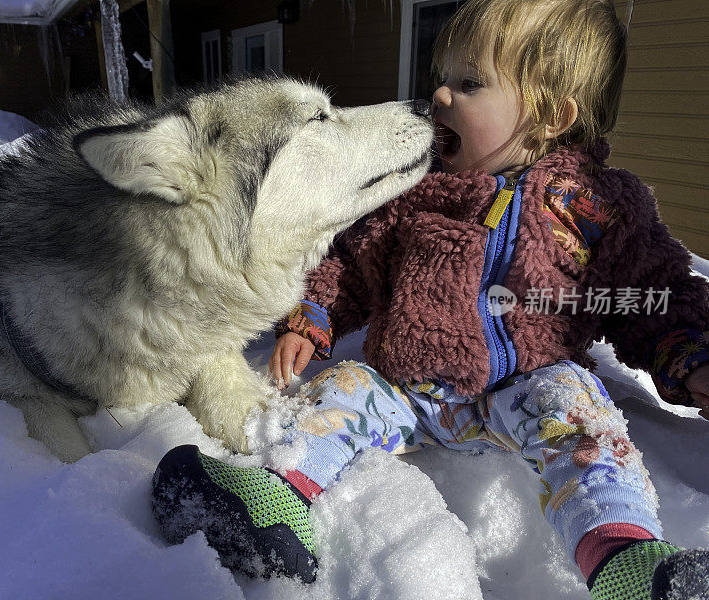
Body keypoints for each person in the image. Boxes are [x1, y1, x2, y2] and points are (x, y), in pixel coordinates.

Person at [151, 0, 709, 597]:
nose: (440, 96)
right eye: (440, 78)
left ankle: (626, 561)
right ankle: (273, 502)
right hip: (407, 384)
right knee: (337, 397)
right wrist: (311, 315)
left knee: (589, 430)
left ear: (551, 114)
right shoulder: (417, 190)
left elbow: (658, 291)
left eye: (469, 84)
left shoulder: (597, 205)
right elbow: (350, 262)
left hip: (532, 382)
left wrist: (693, 356)